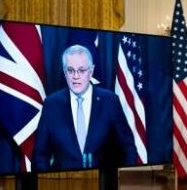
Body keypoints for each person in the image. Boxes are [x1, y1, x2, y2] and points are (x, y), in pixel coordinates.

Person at [33, 44, 137, 172]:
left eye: (81, 70)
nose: (75, 76)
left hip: (104, 183)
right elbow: (40, 154)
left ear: (91, 71)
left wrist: (120, 175)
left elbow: (128, 148)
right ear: (65, 72)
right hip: (62, 184)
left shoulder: (110, 101)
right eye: (70, 70)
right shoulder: (52, 104)